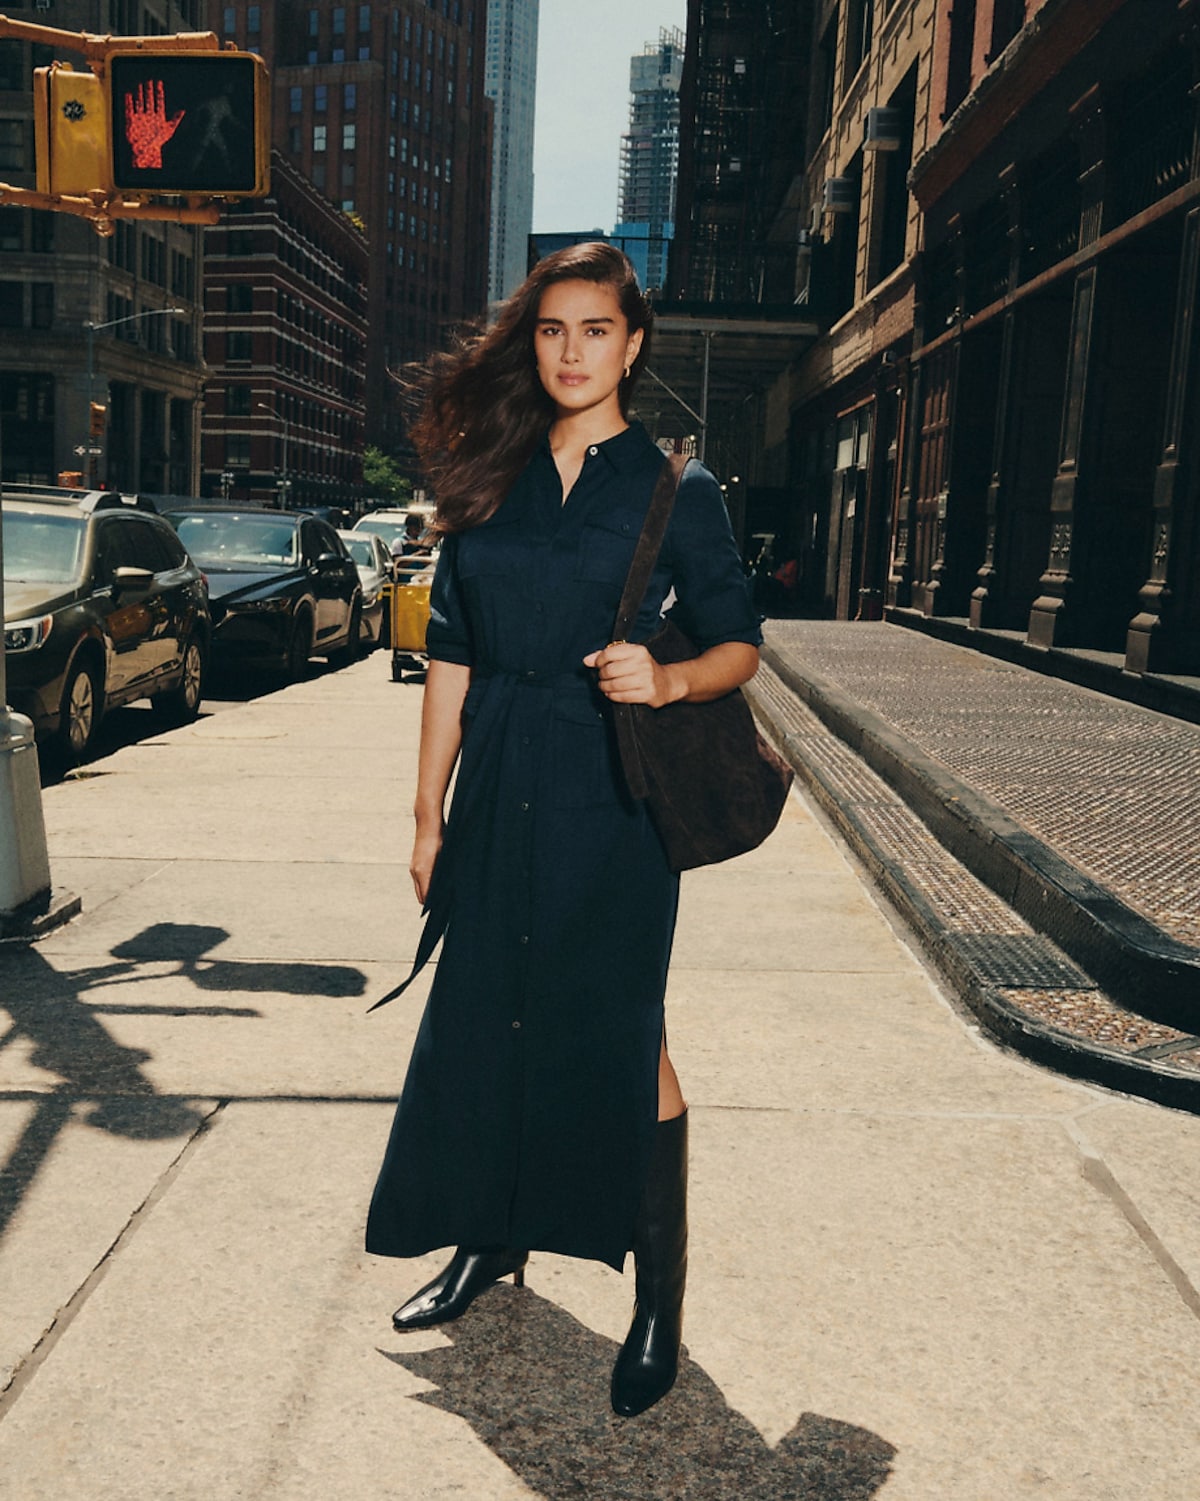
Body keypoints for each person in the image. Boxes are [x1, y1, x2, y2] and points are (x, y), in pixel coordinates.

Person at [365, 242, 762, 1418]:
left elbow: (740, 644)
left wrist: (672, 678)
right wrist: (428, 809)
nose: (572, 350)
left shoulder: (677, 489)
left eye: (596, 329)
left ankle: (658, 1304)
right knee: (487, 1023)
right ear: (531, 343)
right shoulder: (489, 477)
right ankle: (491, 1241)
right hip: (498, 784)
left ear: (634, 345)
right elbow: (452, 651)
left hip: (611, 797)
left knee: (620, 1034)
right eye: (552, 330)